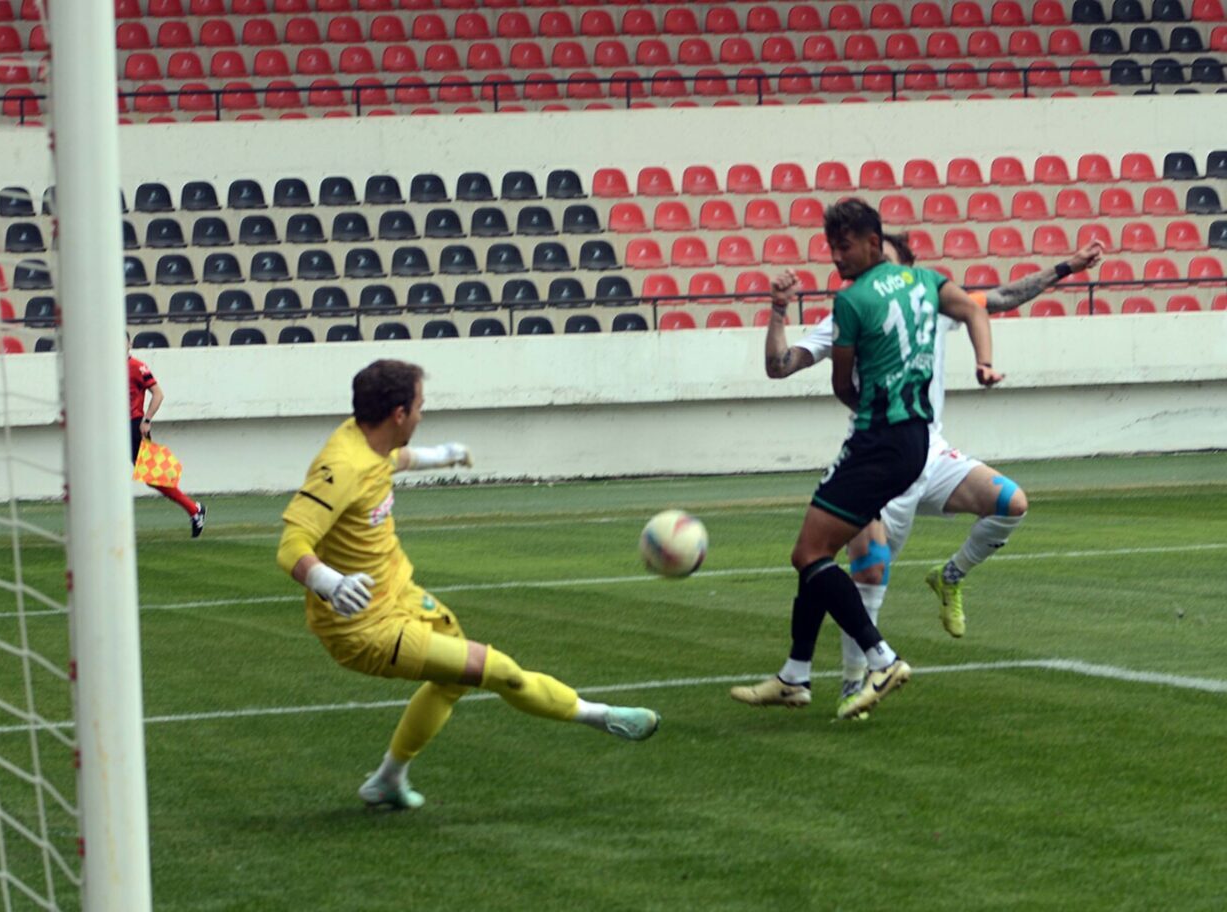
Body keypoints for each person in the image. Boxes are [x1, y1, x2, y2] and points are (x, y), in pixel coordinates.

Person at [276, 359, 660, 811]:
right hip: (363, 627)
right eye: (420, 406)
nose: (422, 414)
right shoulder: (341, 467)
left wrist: (443, 455)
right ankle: (600, 715)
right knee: (495, 669)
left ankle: (388, 779)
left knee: (452, 682)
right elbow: (291, 544)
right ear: (399, 413)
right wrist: (329, 582)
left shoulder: (367, 441)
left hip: (400, 595)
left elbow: (391, 460)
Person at [760, 237, 1103, 718]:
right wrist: (779, 310)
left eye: (889, 265)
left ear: (909, 272)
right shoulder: (846, 315)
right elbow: (781, 365)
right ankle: (853, 685)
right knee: (870, 572)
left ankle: (949, 577)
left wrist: (1067, 267)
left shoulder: (931, 304)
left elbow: (1003, 297)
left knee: (1012, 503)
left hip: (930, 453)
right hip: (877, 459)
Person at [730, 199, 1001, 720]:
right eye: (831, 247)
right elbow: (975, 309)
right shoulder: (927, 282)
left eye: (845, 246)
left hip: (877, 442)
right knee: (818, 549)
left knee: (810, 554)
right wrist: (984, 363)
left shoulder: (852, 301)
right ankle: (794, 675)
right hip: (917, 439)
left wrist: (868, 407)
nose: (837, 256)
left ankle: (882, 658)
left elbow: (837, 383)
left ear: (874, 243)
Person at [128, 336, 205, 538]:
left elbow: (157, 394)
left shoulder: (137, 367)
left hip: (133, 426)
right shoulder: (106, 368)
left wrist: (146, 420)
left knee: (154, 477)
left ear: (129, 345)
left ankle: (194, 510)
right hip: (112, 427)